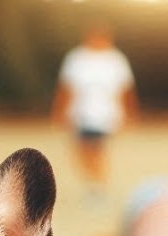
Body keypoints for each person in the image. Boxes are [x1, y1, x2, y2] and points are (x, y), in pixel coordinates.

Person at [51, 24, 137, 196]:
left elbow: (126, 89)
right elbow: (66, 87)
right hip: (80, 113)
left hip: (106, 114)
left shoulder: (116, 60)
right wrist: (59, 111)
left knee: (98, 150)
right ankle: (93, 182)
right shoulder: (76, 58)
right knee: (81, 151)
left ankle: (99, 185)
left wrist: (130, 113)